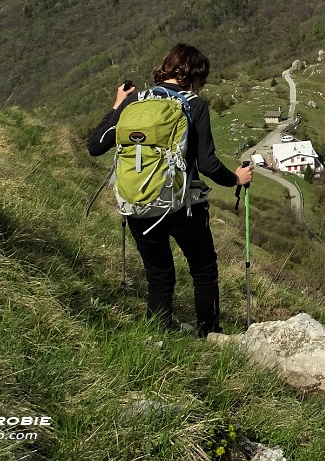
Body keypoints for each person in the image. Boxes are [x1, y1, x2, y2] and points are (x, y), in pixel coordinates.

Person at [88, 43, 252, 337]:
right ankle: (209, 334)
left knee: (159, 276)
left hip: (137, 204)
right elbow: (209, 165)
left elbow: (95, 146)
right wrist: (236, 180)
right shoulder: (194, 105)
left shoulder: (133, 101)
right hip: (182, 206)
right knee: (203, 269)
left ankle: (158, 337)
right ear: (196, 76)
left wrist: (117, 103)